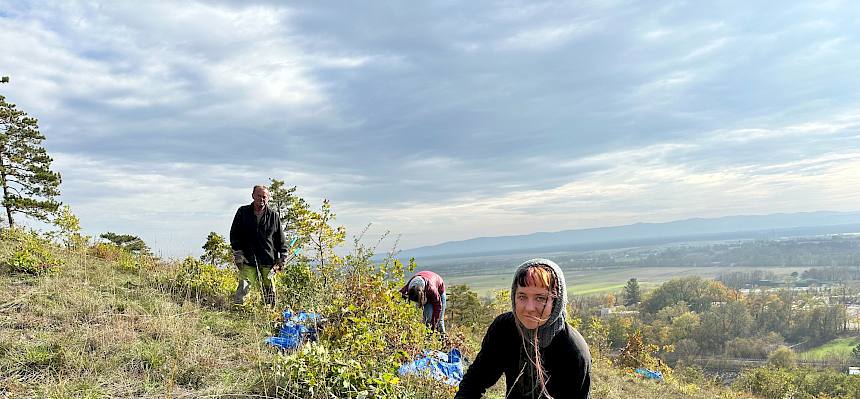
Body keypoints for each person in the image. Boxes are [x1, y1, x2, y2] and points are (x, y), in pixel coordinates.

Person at [455, 259, 591, 399]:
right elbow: (475, 381)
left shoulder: (573, 350)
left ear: (556, 302)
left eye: (540, 298)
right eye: (522, 296)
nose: (529, 308)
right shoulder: (504, 329)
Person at [229, 185, 288, 306]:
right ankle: (239, 311)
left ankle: (269, 312)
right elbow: (234, 234)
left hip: (268, 259)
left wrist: (282, 258)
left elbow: (280, 239)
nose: (261, 199)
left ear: (268, 199)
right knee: (244, 286)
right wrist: (238, 253)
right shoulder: (242, 212)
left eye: (264, 197)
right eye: (259, 196)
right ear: (253, 196)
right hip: (247, 259)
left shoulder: (273, 216)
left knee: (269, 288)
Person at [399, 270, 446, 335]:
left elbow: (438, 307)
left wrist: (433, 326)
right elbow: (398, 296)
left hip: (439, 291)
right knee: (427, 319)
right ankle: (427, 339)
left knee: (439, 320)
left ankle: (443, 339)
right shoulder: (409, 287)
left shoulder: (431, 289)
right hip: (426, 291)